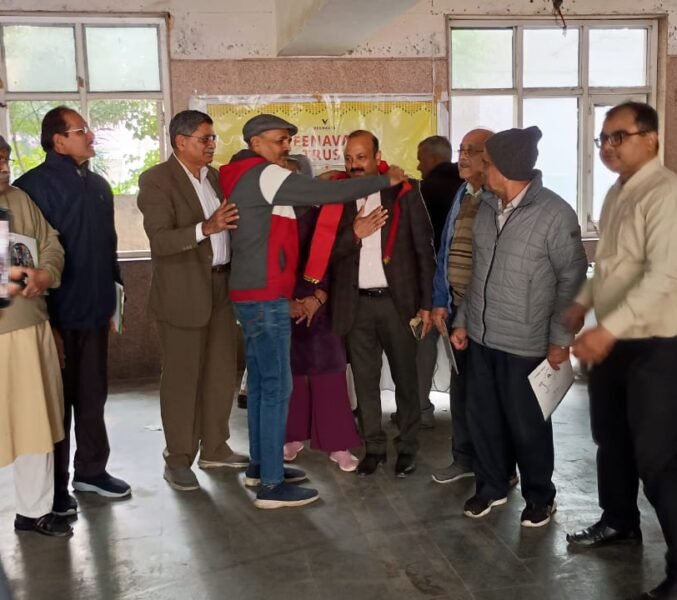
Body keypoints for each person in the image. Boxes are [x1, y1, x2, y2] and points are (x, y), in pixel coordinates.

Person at [219, 114, 406, 508]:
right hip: (265, 296)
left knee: (263, 387)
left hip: (253, 293)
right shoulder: (263, 173)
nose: (286, 147)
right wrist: (382, 180)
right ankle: (272, 486)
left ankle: (261, 467)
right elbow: (324, 193)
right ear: (255, 143)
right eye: (279, 140)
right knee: (276, 389)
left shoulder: (243, 176)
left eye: (287, 140)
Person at [565, 102, 677, 600]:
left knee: (659, 459)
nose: (608, 147)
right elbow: (609, 265)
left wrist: (607, 330)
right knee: (610, 439)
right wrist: (582, 303)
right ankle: (619, 521)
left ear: (651, 139)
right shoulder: (617, 191)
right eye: (603, 139)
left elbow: (664, 277)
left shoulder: (666, 193)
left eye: (619, 137)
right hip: (614, 340)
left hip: (656, 346)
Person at [451, 126, 587, 527]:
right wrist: (463, 320)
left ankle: (540, 496)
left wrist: (560, 339)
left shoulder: (554, 214)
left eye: (487, 163)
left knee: (528, 427)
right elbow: (478, 274)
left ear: (506, 167)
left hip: (526, 343)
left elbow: (573, 280)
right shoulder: (485, 208)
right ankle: (491, 486)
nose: (481, 169)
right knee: (484, 420)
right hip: (482, 338)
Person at [15, 106, 131, 516]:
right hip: (57, 316)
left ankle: (92, 471)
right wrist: (46, 321)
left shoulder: (98, 185)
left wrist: (115, 301)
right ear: (58, 141)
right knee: (56, 404)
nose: (90, 136)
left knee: (93, 395)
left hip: (96, 309)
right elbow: (29, 258)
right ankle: (55, 488)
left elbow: (109, 247)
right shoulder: (31, 188)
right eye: (81, 130)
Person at [137, 110, 247, 491]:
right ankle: (178, 457)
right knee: (182, 379)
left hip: (221, 288)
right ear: (180, 141)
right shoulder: (156, 180)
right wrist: (206, 227)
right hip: (182, 294)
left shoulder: (214, 178)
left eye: (213, 138)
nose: (212, 144)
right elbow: (160, 240)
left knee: (220, 373)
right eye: (205, 138)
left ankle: (215, 447)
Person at [329, 130, 436, 478]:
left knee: (406, 380)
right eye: (348, 158)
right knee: (364, 381)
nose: (354, 165)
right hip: (356, 305)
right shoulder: (339, 197)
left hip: (397, 304)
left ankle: (407, 448)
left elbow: (424, 251)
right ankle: (373, 447)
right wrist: (354, 234)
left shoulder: (404, 192)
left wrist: (427, 303)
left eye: (361, 157)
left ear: (377, 157)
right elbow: (328, 253)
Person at [0, 135, 71, 537]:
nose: (4, 168)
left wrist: (46, 273)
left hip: (31, 326)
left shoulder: (20, 199)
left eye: (5, 159)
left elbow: (51, 243)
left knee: (35, 422)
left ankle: (34, 511)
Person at [429, 128, 493, 484]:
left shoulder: (497, 197)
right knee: (462, 389)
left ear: (490, 156)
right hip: (455, 311)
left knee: (488, 395)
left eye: (472, 150)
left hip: (487, 315)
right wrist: (440, 301)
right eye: (461, 150)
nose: (463, 157)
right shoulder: (462, 193)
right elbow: (445, 250)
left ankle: (495, 466)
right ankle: (463, 457)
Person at [390, 136, 463, 429]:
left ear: (432, 158)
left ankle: (420, 408)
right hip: (463, 283)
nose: (419, 165)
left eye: (421, 159)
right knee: (463, 349)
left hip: (429, 281)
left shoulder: (420, 191)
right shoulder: (468, 189)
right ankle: (467, 414)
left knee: (424, 342)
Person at [284, 204, 362, 472]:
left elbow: (339, 259)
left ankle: (337, 443)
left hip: (325, 301)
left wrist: (319, 296)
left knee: (329, 373)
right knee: (290, 372)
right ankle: (291, 435)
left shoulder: (329, 211)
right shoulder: (275, 210)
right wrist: (287, 302)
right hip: (284, 300)